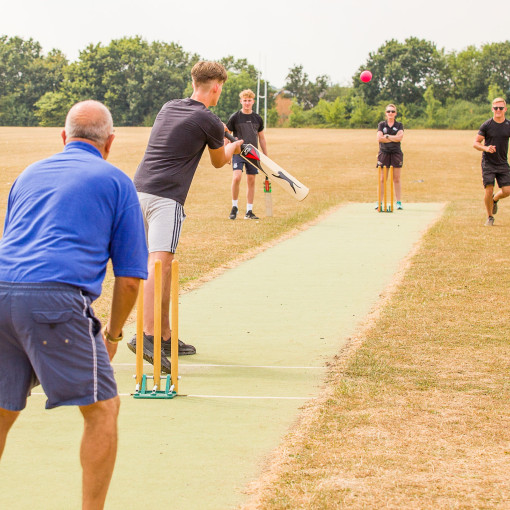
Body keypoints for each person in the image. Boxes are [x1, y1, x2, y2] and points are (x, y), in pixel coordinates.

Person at [0, 100, 148, 510]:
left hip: (1, 292)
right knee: (103, 410)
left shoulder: (28, 174)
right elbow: (132, 279)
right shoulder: (117, 182)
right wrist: (115, 334)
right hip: (55, 300)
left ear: (63, 138)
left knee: (2, 409)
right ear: (110, 142)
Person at [130, 61, 243, 371]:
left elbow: (194, 126)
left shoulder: (169, 107)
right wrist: (234, 146)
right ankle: (147, 336)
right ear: (216, 86)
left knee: (161, 268)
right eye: (222, 88)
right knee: (160, 265)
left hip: (136, 194)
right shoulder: (208, 118)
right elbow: (219, 161)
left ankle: (164, 335)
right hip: (166, 199)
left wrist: (221, 132)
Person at [227, 89, 268, 220]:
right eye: (245, 100)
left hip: (252, 154)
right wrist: (226, 152)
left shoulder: (257, 118)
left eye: (249, 101)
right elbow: (227, 135)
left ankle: (249, 211)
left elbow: (261, 138)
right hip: (238, 152)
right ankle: (234, 207)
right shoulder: (235, 117)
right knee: (237, 177)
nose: (247, 103)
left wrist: (265, 155)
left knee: (251, 181)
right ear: (241, 101)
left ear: (253, 101)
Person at [473, 97, 510, 226]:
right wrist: (486, 148)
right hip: (488, 163)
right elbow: (476, 143)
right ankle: (489, 217)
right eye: (495, 108)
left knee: (507, 190)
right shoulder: (487, 125)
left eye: (500, 108)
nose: (498, 110)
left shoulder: (508, 125)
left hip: (502, 162)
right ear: (492, 109)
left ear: (505, 109)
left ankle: (495, 199)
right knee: (488, 189)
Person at [376, 104, 404, 210]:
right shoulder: (381, 125)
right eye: (388, 111)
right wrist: (393, 137)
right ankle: (380, 201)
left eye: (392, 111)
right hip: (384, 152)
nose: (390, 113)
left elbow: (399, 138)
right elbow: (379, 138)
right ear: (386, 113)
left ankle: (398, 202)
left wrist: (387, 136)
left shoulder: (399, 125)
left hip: (396, 153)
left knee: (396, 178)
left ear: (395, 113)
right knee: (383, 178)